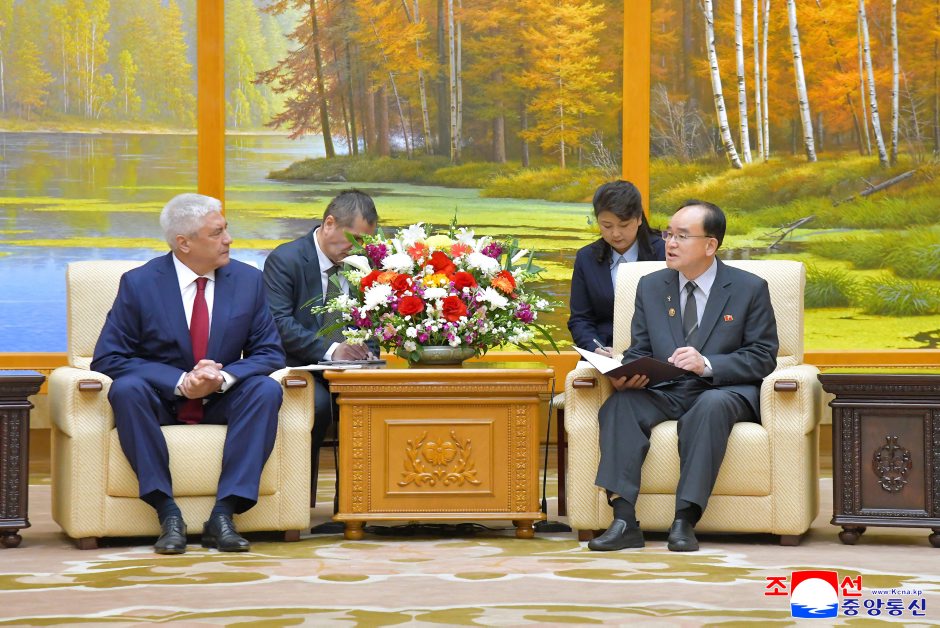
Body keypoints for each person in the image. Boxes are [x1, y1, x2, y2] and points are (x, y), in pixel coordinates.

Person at [91, 193, 286, 555]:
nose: (228, 239)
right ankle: (168, 513)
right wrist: (180, 382)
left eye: (226, 229)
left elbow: (269, 352)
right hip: (162, 401)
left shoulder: (248, 281)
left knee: (265, 390)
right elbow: (109, 357)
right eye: (217, 233)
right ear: (184, 243)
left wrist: (221, 378)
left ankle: (223, 515)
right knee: (126, 389)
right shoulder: (140, 283)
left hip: (222, 399)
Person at [588, 200, 778, 552]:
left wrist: (706, 364)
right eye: (668, 234)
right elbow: (640, 349)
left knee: (710, 407)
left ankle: (684, 520)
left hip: (722, 390)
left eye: (682, 236)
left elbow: (763, 356)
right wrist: (625, 371)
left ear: (710, 245)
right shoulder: (650, 286)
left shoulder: (749, 288)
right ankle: (624, 520)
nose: (670, 243)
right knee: (620, 405)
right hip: (666, 388)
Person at [262, 189, 379, 521]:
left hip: (352, 370)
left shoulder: (364, 265)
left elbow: (374, 319)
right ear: (329, 224)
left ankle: (356, 506)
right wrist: (332, 351)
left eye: (365, 242)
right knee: (319, 406)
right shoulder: (286, 260)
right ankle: (298, 506)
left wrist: (370, 355)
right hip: (300, 368)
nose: (359, 249)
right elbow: (278, 323)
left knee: (376, 405)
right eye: (355, 239)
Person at [568, 180, 665, 357]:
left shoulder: (664, 253)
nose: (615, 234)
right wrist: (595, 348)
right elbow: (580, 319)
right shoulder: (586, 258)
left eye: (624, 225)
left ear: (639, 219)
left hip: (656, 355)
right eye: (607, 226)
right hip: (604, 354)